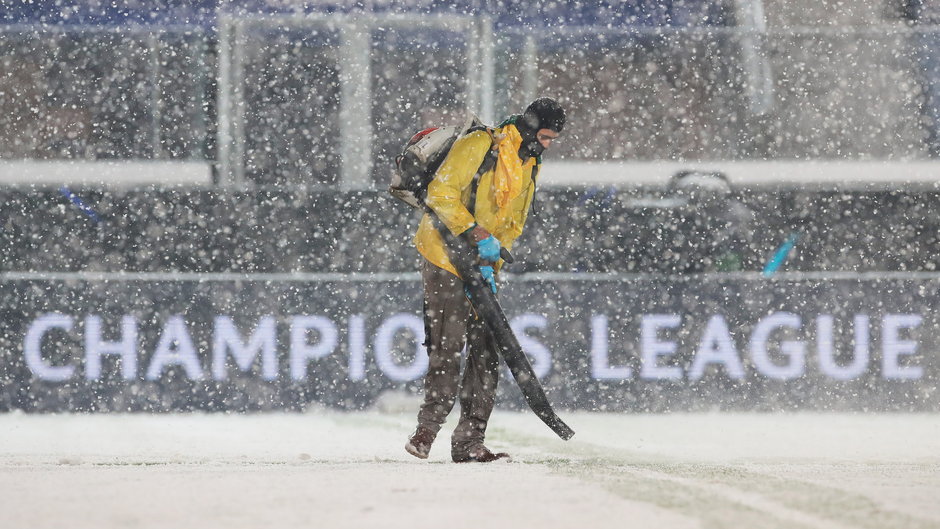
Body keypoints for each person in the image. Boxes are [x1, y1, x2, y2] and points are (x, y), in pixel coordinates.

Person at [405, 97, 566, 463]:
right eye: (543, 136)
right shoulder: (481, 144)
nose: (546, 145)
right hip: (444, 255)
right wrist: (477, 234)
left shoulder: (530, 163)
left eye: (552, 139)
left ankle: (469, 441)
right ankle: (426, 431)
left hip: (482, 264)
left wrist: (492, 266)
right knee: (449, 344)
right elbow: (440, 194)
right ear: (528, 125)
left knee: (487, 350)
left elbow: (512, 222)